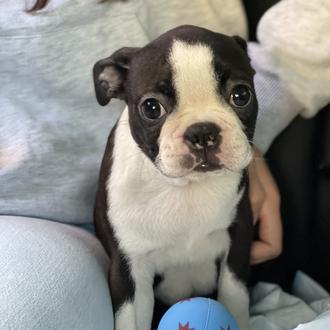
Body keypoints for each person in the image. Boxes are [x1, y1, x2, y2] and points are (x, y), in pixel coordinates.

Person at [0, 0, 328, 329]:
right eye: (154, 109)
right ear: (111, 84)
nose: (202, 138)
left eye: (238, 96)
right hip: (26, 219)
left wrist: (251, 138)